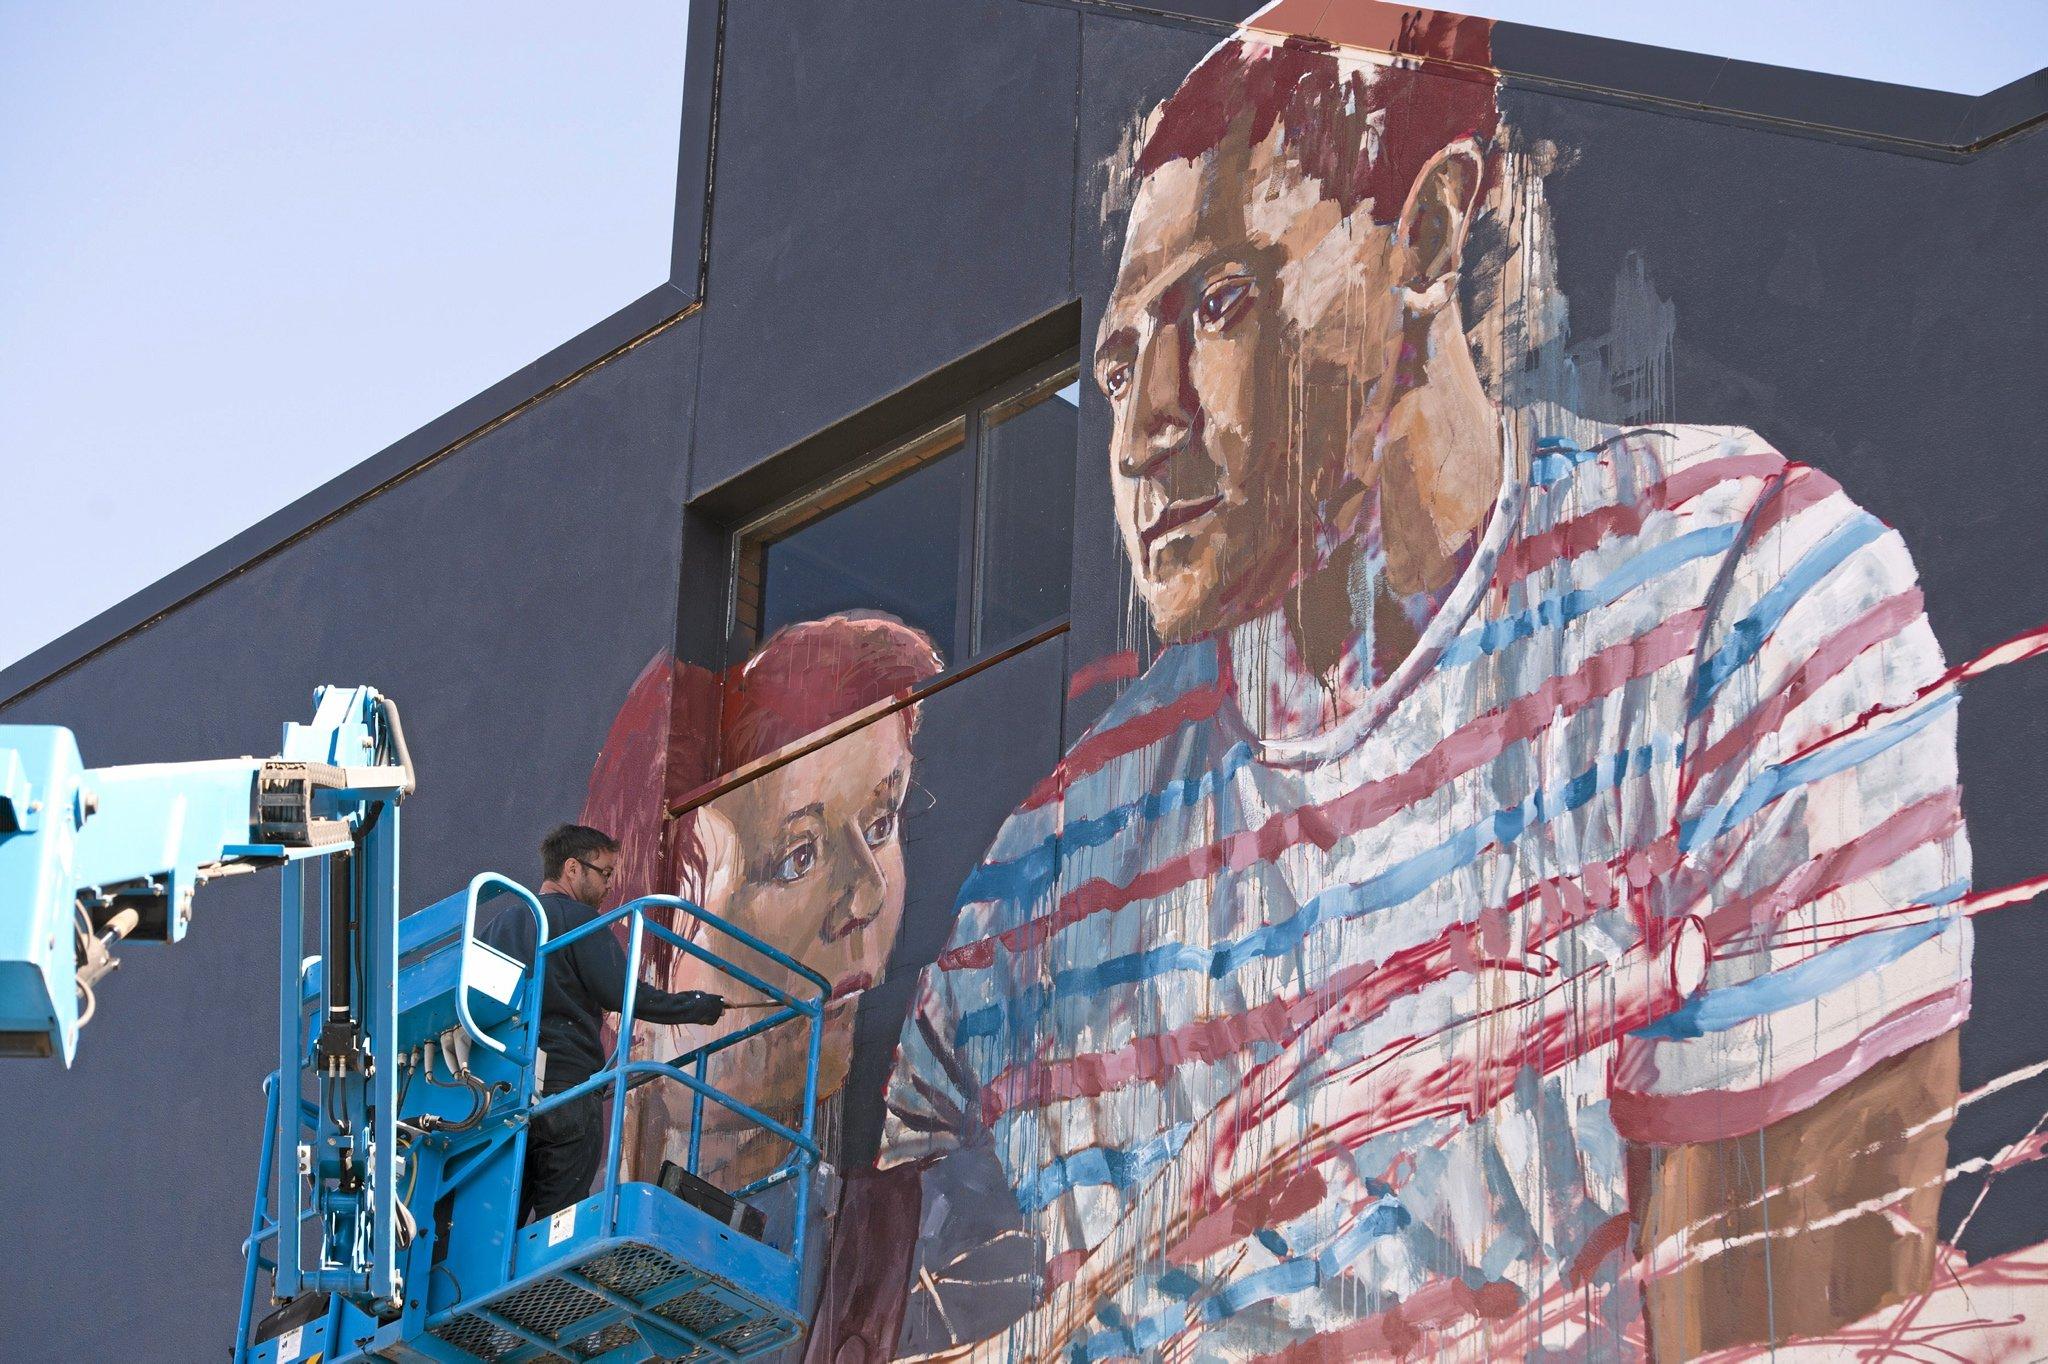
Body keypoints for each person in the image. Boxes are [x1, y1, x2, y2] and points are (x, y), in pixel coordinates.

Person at [826, 12, 1972, 1362]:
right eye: (1120, 365)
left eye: (1219, 302)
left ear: (1428, 236)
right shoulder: (1032, 914)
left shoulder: (1746, 601)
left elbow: (1798, 1325)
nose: (1142, 428)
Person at [481, 822, 727, 1224]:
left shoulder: (501, 926)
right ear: (573, 869)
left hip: (505, 1097)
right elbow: (624, 992)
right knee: (559, 1224)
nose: (610, 886)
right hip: (567, 1094)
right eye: (606, 873)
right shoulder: (580, 922)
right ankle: (554, 1281)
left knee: (498, 1226)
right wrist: (695, 1006)